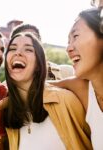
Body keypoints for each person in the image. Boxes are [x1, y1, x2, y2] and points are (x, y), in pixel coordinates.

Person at [0, 32, 92, 150]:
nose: (18, 52)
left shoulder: (65, 101)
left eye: (28, 49)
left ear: (38, 64)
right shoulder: (7, 115)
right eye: (12, 48)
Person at [49, 7, 103, 150]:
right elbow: (35, 87)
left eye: (76, 36)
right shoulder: (83, 88)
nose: (68, 48)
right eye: (68, 41)